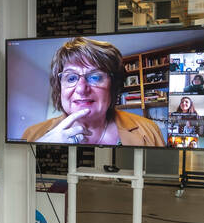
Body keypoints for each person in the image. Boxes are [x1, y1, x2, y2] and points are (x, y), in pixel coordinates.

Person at [21, 37, 166, 146]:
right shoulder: (32, 135)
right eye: (71, 78)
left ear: (113, 85)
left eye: (95, 77)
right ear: (60, 88)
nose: (81, 89)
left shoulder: (150, 131)